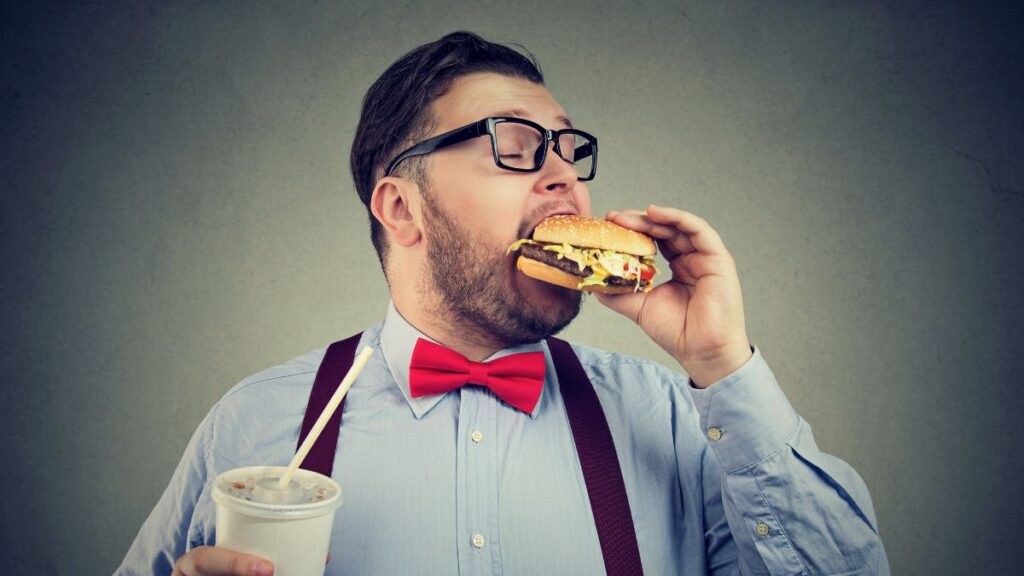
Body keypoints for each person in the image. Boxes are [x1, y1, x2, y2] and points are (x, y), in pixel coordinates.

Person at [118, 31, 889, 575]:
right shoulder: (256, 427)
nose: (564, 179)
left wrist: (722, 363)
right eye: (516, 146)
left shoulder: (676, 417)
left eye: (567, 149)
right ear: (401, 208)